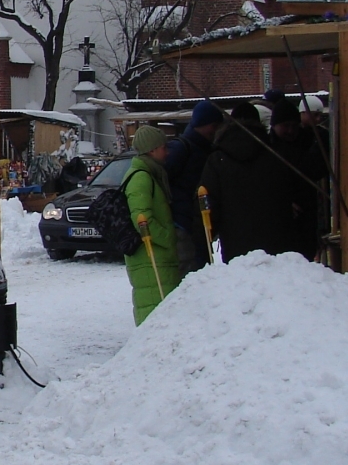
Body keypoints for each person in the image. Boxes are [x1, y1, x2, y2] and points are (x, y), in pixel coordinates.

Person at [199, 107, 297, 263]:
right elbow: (287, 195)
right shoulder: (275, 156)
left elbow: (208, 203)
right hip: (274, 242)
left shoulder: (217, 160)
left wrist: (205, 240)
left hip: (234, 243)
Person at [122, 126, 180, 326]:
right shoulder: (141, 177)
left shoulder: (150, 174)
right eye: (164, 147)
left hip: (156, 256)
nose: (167, 152)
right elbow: (142, 219)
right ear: (152, 149)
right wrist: (168, 238)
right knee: (154, 313)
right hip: (150, 257)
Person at [163, 100, 224, 276]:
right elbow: (163, 181)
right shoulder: (182, 148)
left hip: (197, 224)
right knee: (190, 273)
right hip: (184, 224)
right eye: (215, 126)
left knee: (200, 272)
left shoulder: (205, 149)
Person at [270, 98, 327, 259]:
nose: (290, 131)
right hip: (279, 225)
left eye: (294, 126)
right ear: (274, 125)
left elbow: (316, 171)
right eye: (285, 126)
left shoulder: (308, 143)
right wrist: (282, 201)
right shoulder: (266, 149)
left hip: (307, 219)